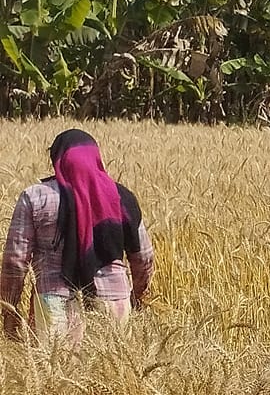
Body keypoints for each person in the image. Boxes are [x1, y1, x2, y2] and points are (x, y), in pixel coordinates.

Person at [2, 129, 155, 347]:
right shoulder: (122, 197)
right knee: (112, 379)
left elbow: (15, 261)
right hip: (115, 304)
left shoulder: (35, 197)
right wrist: (137, 296)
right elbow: (144, 258)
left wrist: (10, 310)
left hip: (54, 304)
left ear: (57, 158)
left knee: (53, 378)